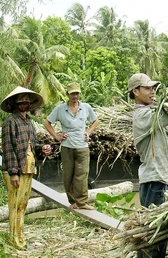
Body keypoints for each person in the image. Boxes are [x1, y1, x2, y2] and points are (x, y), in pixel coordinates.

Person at [128, 73, 168, 258]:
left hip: (162, 176)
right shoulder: (142, 116)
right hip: (153, 178)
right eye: (147, 88)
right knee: (153, 229)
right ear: (135, 92)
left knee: (161, 228)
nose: (152, 91)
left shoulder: (152, 112)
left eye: (153, 88)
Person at [1, 86, 51, 248]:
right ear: (14, 104)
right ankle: (14, 241)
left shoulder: (29, 122)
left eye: (27, 102)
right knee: (15, 206)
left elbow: (33, 145)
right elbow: (8, 148)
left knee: (22, 205)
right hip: (16, 171)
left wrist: (42, 149)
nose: (24, 105)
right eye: (21, 102)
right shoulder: (10, 122)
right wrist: (13, 172)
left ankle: (20, 238)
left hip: (28, 168)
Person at [43, 82, 99, 210]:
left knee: (82, 174)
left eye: (77, 93)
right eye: (73, 93)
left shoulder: (86, 107)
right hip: (67, 146)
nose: (75, 96)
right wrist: (56, 137)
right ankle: (72, 201)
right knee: (68, 174)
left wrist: (88, 132)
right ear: (67, 94)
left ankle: (82, 202)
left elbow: (96, 121)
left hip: (82, 146)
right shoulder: (60, 109)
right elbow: (47, 123)